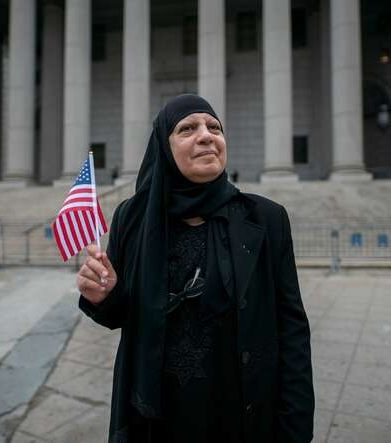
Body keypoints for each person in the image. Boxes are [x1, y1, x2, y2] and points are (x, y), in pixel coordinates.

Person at [76, 94, 315, 443]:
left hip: (241, 415)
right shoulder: (133, 217)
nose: (206, 135)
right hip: (156, 418)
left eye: (214, 127)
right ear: (164, 147)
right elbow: (125, 316)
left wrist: (295, 428)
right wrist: (105, 295)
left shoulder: (265, 218)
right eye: (187, 128)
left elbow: (292, 329)